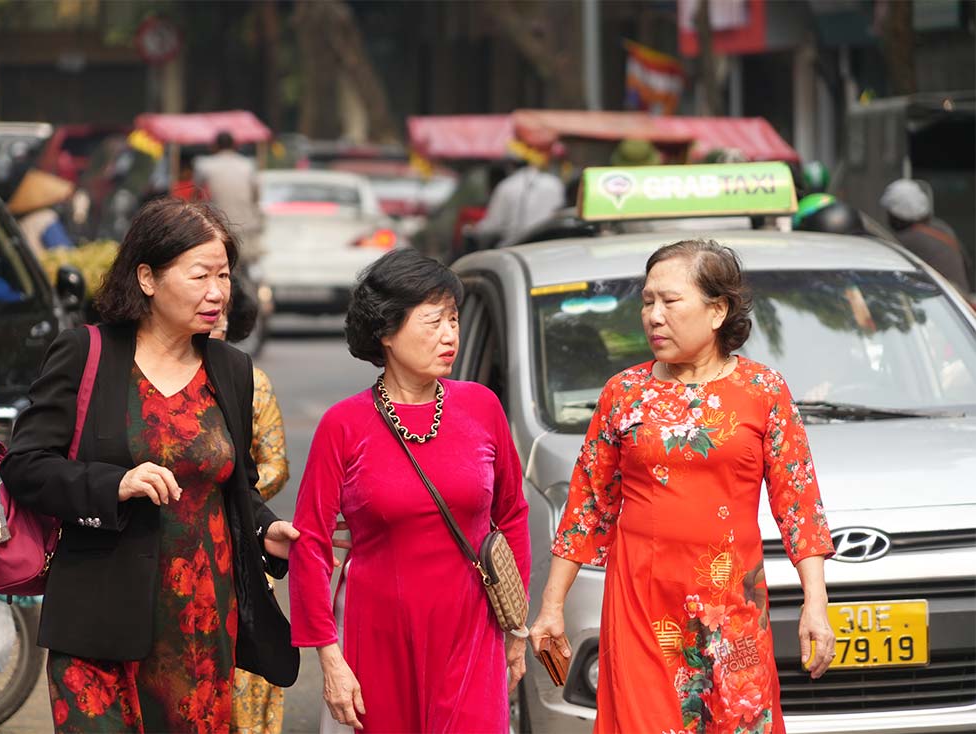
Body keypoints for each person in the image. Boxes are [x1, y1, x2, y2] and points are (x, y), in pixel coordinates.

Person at [0, 197, 300, 733]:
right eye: (200, 275)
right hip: (98, 619)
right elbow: (25, 466)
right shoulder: (86, 353)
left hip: (201, 626)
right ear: (147, 278)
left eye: (224, 276)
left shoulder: (232, 369)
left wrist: (265, 528)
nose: (217, 292)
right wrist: (114, 484)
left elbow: (234, 487)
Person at [529, 239, 836, 734]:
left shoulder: (763, 391)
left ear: (717, 311)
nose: (654, 316)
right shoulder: (623, 393)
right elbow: (588, 507)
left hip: (732, 608)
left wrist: (815, 604)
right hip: (641, 607)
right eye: (647, 301)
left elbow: (798, 504)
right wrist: (550, 606)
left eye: (670, 301)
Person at [289, 248, 531, 733]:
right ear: (386, 331)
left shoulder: (482, 407)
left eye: (454, 319)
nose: (450, 335)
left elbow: (513, 515)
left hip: (472, 629)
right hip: (378, 635)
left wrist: (517, 627)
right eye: (433, 321)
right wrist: (330, 659)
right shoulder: (343, 425)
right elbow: (310, 542)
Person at [211, 275, 291, 734]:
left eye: (221, 316)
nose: (212, 321)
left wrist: (234, 494)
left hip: (242, 544)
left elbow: (275, 464)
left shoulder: (250, 381)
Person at [880, 179, 972, 294]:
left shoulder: (908, 239)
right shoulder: (942, 228)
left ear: (897, 216)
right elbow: (967, 263)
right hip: (960, 299)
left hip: (939, 299)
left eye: (890, 214)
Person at [195, 131, 265, 266]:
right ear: (235, 146)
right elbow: (256, 196)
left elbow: (196, 195)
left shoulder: (205, 166)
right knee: (245, 265)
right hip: (246, 225)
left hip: (218, 225)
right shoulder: (247, 165)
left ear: (214, 146)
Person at [470, 154, 564, 246]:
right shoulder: (555, 183)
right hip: (548, 246)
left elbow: (492, 226)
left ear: (511, 165)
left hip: (514, 246)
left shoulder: (506, 186)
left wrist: (474, 229)